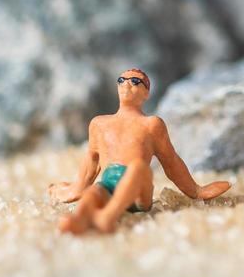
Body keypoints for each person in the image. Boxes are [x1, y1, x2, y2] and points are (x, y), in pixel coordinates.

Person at [48, 68, 231, 234]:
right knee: (93, 193)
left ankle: (107, 218)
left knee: (138, 168)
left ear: (146, 93)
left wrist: (196, 191)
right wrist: (77, 188)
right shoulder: (99, 124)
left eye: (135, 81)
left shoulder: (152, 125)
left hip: (138, 193)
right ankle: (78, 220)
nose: (126, 83)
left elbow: (171, 161)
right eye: (122, 80)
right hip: (109, 185)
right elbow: (92, 161)